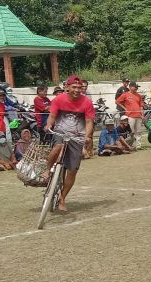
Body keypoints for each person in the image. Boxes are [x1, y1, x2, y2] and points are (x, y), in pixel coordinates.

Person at [43, 75, 95, 212]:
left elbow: (89, 121)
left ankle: (62, 198)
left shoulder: (87, 102)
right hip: (60, 132)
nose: (77, 90)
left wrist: (88, 136)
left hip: (77, 137)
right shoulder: (58, 100)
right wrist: (48, 125)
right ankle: (48, 170)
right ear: (67, 87)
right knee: (58, 147)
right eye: (74, 87)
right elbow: (52, 116)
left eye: (79, 87)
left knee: (72, 171)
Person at [115, 81, 145, 149]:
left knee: (138, 132)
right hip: (130, 116)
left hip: (138, 115)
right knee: (131, 132)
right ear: (130, 87)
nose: (136, 88)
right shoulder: (125, 94)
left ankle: (138, 146)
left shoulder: (138, 95)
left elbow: (141, 106)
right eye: (135, 87)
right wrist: (125, 108)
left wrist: (142, 114)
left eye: (137, 87)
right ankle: (130, 145)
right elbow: (117, 101)